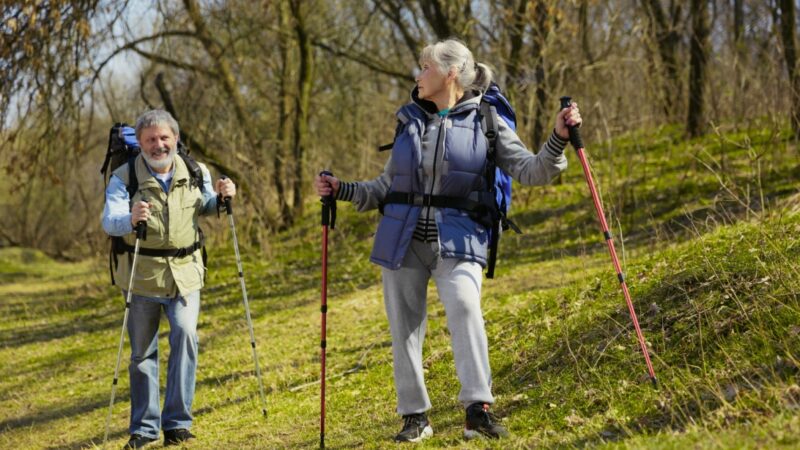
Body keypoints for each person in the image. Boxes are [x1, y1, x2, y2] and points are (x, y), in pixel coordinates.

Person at [315, 39, 582, 442]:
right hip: (402, 240)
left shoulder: (488, 122)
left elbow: (533, 170)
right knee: (404, 329)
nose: (418, 75)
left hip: (459, 238)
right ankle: (415, 417)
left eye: (425, 67)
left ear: (450, 72)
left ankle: (478, 409)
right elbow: (385, 186)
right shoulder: (409, 121)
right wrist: (343, 189)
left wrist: (558, 138)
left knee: (464, 307)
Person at [102, 109, 235, 449]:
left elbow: (204, 205)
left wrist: (221, 197)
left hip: (186, 273)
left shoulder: (195, 169)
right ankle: (144, 429)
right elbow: (109, 221)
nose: (158, 145)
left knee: (186, 337)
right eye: (150, 139)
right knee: (142, 354)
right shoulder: (124, 177)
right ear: (141, 143)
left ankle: (177, 423)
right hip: (141, 276)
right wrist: (130, 218)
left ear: (176, 138)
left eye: (164, 138)